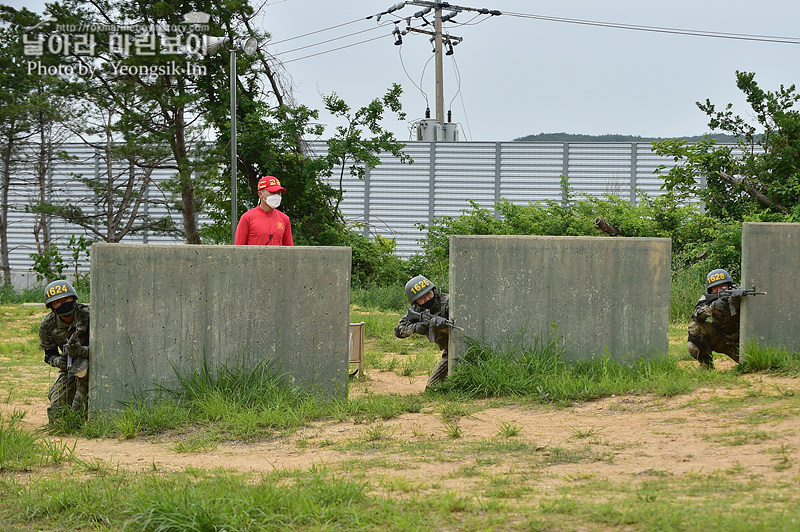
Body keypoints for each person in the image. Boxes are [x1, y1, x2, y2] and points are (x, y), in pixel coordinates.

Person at [39, 280, 90, 422]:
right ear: (52, 307)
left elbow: (107, 348)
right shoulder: (48, 324)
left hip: (95, 365)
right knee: (57, 415)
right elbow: (49, 354)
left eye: (66, 299)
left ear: (73, 298)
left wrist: (82, 351)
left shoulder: (88, 315)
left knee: (81, 408)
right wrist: (58, 361)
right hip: (69, 367)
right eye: (58, 302)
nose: (63, 303)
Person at [395, 275, 452, 390]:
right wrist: (416, 327)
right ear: (415, 302)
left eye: (428, 294)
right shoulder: (417, 311)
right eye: (422, 298)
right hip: (448, 352)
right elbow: (399, 331)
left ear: (433, 290)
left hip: (458, 348)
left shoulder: (448, 303)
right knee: (432, 389)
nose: (427, 299)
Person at [687, 268, 741, 369]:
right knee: (695, 328)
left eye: (723, 285)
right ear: (710, 290)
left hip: (743, 342)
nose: (720, 289)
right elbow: (696, 317)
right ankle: (706, 365)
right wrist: (712, 307)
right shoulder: (708, 297)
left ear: (729, 284)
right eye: (715, 287)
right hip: (722, 340)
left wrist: (736, 303)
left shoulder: (737, 293)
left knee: (751, 362)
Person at [234, 175, 294, 246]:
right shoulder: (247, 218)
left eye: (278, 193)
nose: (276, 196)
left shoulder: (284, 219)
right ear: (260, 194)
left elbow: (289, 249)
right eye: (272, 192)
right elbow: (238, 248)